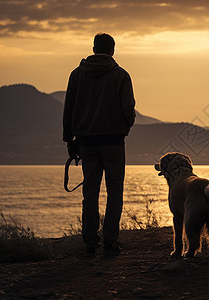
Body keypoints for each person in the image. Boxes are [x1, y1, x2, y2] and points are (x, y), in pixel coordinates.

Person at [63, 33, 136, 257]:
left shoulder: (76, 75)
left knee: (90, 191)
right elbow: (128, 108)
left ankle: (90, 242)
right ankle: (111, 241)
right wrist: (125, 125)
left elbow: (69, 108)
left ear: (93, 48)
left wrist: (69, 139)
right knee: (115, 191)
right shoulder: (121, 75)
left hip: (86, 142)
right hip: (114, 141)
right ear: (113, 50)